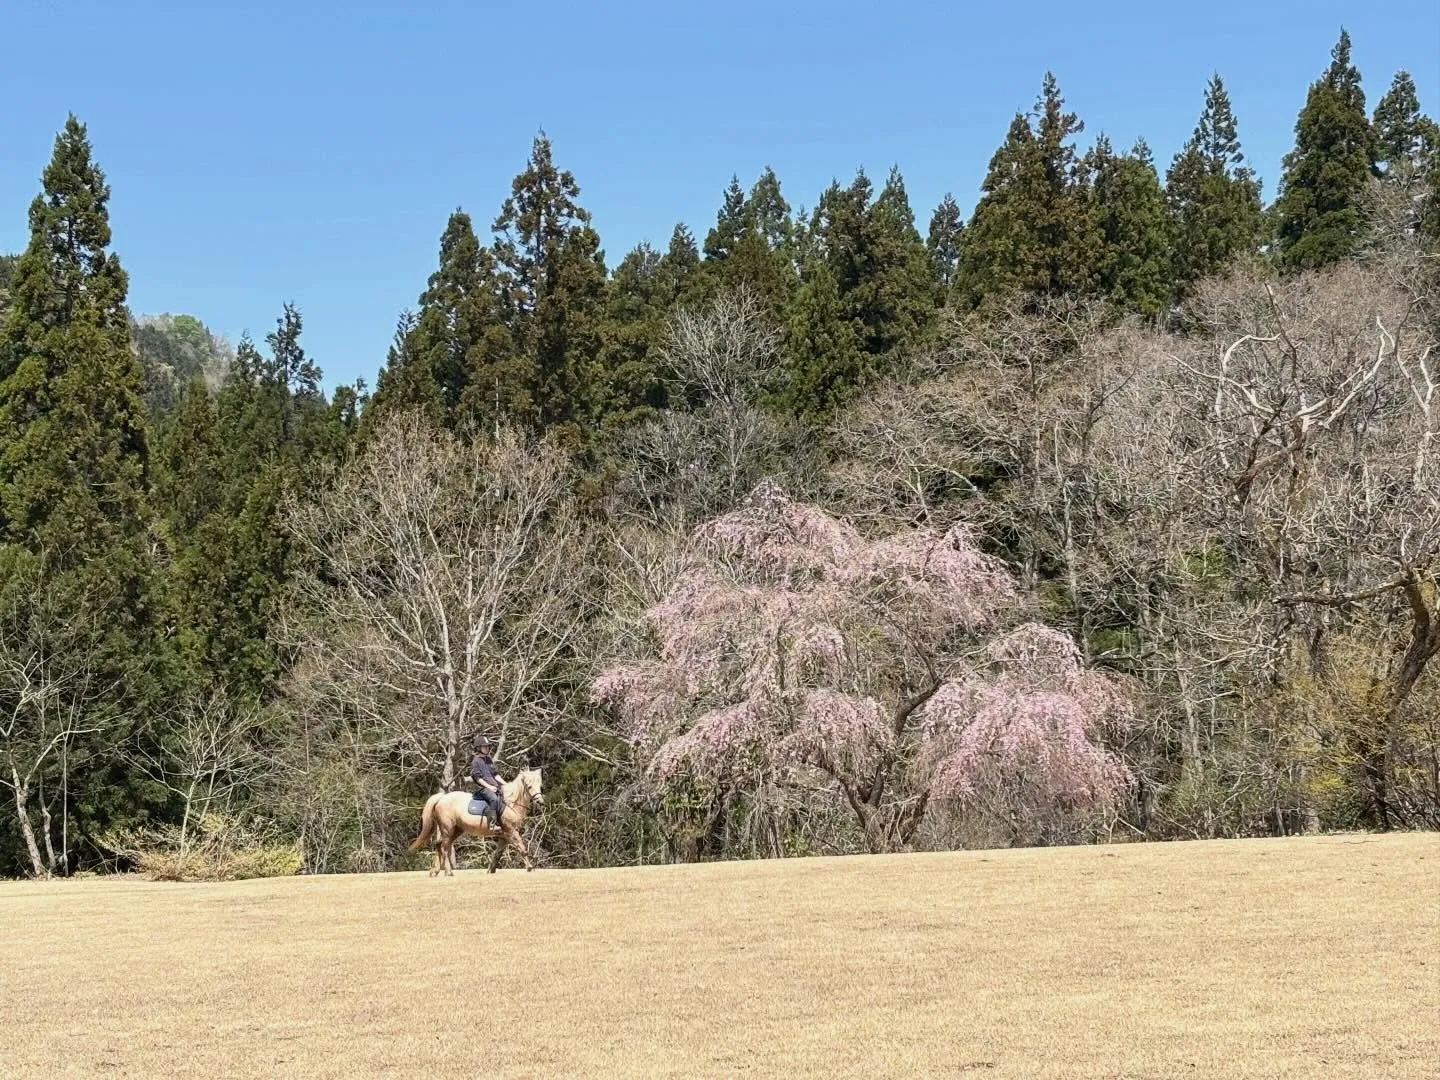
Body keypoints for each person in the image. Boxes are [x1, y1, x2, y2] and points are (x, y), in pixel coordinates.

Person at [469, 735, 505, 828]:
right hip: (482, 788)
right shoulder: (475, 761)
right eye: (485, 746)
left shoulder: (489, 760)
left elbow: (496, 775)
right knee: (494, 799)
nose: (487, 748)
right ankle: (491, 824)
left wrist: (506, 784)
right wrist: (489, 787)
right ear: (478, 748)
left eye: (488, 746)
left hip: (493, 787)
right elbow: (477, 778)